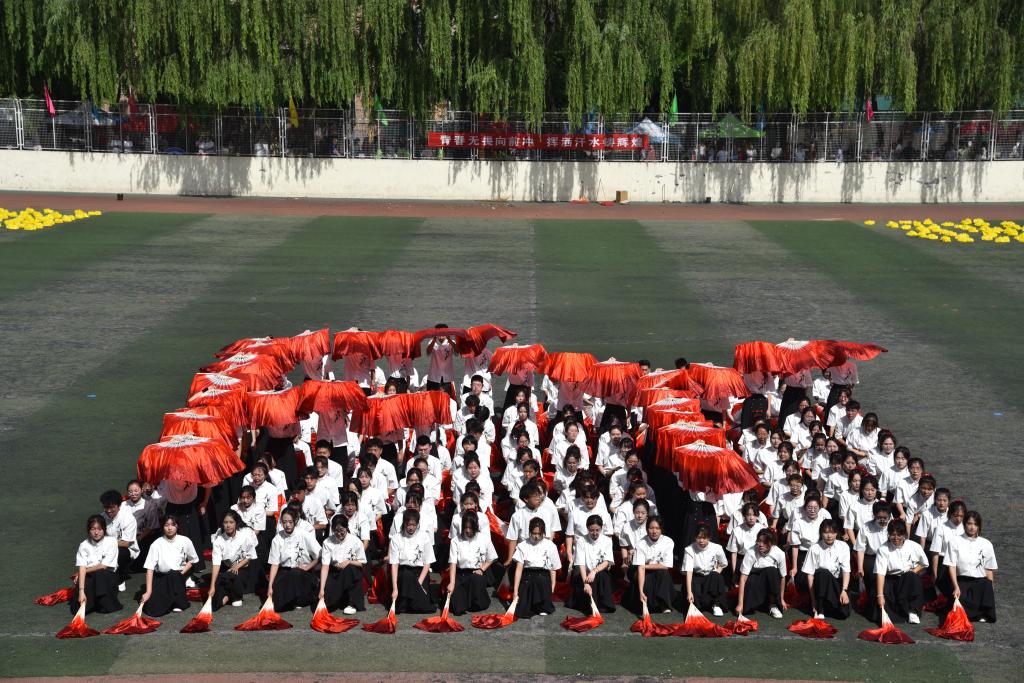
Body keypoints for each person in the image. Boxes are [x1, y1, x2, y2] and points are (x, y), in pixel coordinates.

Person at [942, 511, 997, 622]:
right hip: (961, 581)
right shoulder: (954, 541)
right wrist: (956, 586)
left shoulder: (986, 544)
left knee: (986, 585)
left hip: (980, 582)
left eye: (975, 524)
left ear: (979, 526)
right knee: (958, 608)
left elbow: (988, 569)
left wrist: (990, 589)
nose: (972, 527)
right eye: (969, 523)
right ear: (964, 524)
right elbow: (951, 566)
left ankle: (982, 613)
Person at [141, 514, 199, 617]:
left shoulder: (185, 540)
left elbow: (193, 559)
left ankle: (177, 602)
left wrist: (181, 573)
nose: (170, 528)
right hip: (161, 577)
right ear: (162, 527)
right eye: (166, 525)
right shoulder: (156, 544)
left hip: (177, 576)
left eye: (173, 524)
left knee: (174, 576)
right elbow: (149, 568)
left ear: (177, 526)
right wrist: (148, 592)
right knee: (152, 609)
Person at [266, 508, 321, 612]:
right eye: (284, 522)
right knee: (276, 587)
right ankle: (288, 601)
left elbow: (321, 554)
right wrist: (270, 585)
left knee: (295, 575)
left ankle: (286, 603)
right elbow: (274, 564)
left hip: (302, 572)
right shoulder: (277, 539)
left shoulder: (304, 534)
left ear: (295, 521)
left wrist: (308, 567)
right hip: (284, 571)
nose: (287, 525)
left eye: (290, 522)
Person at [874, 518, 927, 624]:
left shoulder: (913, 546)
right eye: (893, 535)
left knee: (913, 577)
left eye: (899, 535)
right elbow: (880, 574)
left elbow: (924, 563)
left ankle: (912, 611)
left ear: (904, 535)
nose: (896, 538)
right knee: (881, 612)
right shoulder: (883, 549)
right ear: (888, 534)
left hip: (907, 578)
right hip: (890, 580)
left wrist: (914, 570)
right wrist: (880, 595)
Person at [446, 511, 500, 615]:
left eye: (470, 528)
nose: (467, 530)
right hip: (461, 574)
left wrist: (482, 569)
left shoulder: (484, 539)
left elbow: (492, 557)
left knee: (477, 604)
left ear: (475, 526)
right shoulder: (455, 540)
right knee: (457, 608)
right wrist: (452, 583)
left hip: (477, 574)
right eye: (465, 527)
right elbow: (452, 563)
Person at [71, 515, 122, 615]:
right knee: (76, 609)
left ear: (104, 529)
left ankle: (104, 603)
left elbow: (103, 566)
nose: (96, 532)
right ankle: (94, 602)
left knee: (99, 574)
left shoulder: (111, 542)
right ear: (88, 530)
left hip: (107, 576)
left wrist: (81, 573)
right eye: (93, 529)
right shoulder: (83, 545)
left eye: (99, 529)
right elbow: (82, 566)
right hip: (90, 576)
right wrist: (81, 591)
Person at [388, 509, 435, 614]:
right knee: (406, 575)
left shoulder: (424, 537)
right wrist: (395, 589)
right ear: (404, 523)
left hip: (420, 574)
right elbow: (394, 564)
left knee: (422, 607)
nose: (411, 527)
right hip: (403, 573)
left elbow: (427, 563)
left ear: (418, 524)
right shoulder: (396, 538)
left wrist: (419, 584)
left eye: (414, 525)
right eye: (408, 524)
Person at [802, 519, 851, 619]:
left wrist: (844, 590)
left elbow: (846, 570)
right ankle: (820, 608)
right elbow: (810, 575)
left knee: (843, 614)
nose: (829, 536)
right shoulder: (814, 548)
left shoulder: (844, 546)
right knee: (823, 572)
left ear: (836, 533)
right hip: (820, 584)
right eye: (826, 532)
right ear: (821, 533)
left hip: (836, 583)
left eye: (832, 532)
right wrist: (813, 601)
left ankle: (829, 607)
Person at [512, 517, 560, 618]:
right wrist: (515, 591)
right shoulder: (523, 545)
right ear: (530, 532)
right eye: (534, 533)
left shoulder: (550, 545)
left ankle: (543, 606)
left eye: (539, 534)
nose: (536, 536)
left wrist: (552, 586)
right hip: (527, 575)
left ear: (543, 532)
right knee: (522, 611)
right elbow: (519, 569)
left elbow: (552, 568)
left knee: (540, 580)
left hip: (543, 575)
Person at [209, 510, 258, 610]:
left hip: (242, 569)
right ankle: (228, 596)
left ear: (236, 523)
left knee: (235, 577)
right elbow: (216, 564)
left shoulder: (244, 537)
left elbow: (250, 555)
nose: (228, 525)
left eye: (231, 522)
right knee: (213, 603)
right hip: (226, 569)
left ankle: (235, 596)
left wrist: (237, 566)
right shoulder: (219, 540)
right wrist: (212, 585)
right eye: (225, 522)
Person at [318, 515, 367, 614]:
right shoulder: (327, 542)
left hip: (351, 572)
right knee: (327, 602)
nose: (339, 533)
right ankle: (338, 600)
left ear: (346, 527)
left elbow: (362, 563)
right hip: (335, 571)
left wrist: (349, 561)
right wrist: (321, 589)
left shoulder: (355, 541)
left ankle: (351, 603)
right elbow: (325, 566)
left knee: (351, 570)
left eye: (341, 530)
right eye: (336, 531)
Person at [568, 515, 615, 614]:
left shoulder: (607, 541)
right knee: (578, 574)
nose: (595, 533)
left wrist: (594, 571)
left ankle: (603, 604)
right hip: (584, 572)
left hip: (599, 571)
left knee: (603, 574)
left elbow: (607, 561)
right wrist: (585, 583)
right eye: (592, 530)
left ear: (601, 528)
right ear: (587, 528)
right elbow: (580, 564)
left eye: (597, 530)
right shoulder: (581, 541)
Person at [735, 529, 787, 618]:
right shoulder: (751, 552)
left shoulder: (779, 553)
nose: (761, 544)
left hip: (771, 582)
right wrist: (740, 604)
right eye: (759, 541)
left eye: (765, 542)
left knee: (771, 570)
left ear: (771, 543)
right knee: (746, 609)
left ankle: (773, 604)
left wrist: (782, 599)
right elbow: (743, 578)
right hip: (755, 580)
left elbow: (783, 577)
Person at [682, 524, 728, 616]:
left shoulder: (717, 548)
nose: (701, 541)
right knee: (695, 597)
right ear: (695, 537)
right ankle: (697, 606)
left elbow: (723, 563)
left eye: (704, 538)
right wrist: (689, 592)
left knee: (716, 576)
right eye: (699, 537)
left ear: (709, 538)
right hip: (696, 577)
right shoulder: (689, 549)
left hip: (710, 576)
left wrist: (716, 574)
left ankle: (716, 604)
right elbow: (689, 571)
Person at [632, 516, 675, 614]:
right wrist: (641, 591)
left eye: (657, 528)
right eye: (651, 528)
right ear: (647, 529)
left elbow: (666, 565)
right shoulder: (641, 543)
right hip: (644, 572)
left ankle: (664, 605)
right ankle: (646, 604)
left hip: (659, 571)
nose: (654, 531)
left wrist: (645, 566)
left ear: (661, 529)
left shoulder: (668, 542)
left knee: (663, 573)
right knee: (646, 581)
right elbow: (640, 568)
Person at [99, 489, 138, 590]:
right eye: (106, 507)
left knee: (121, 552)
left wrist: (105, 542)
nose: (108, 510)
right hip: (107, 547)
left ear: (119, 506)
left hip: (127, 550)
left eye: (112, 507)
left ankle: (120, 578)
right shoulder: (101, 517)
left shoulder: (128, 519)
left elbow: (127, 543)